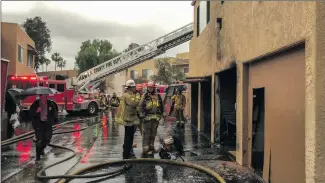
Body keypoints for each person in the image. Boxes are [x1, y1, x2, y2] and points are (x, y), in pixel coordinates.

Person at [30, 94, 59, 163]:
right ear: (40, 96)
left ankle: (42, 149)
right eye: (43, 96)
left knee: (47, 139)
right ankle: (38, 157)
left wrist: (57, 122)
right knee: (39, 140)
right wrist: (36, 111)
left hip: (47, 124)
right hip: (38, 124)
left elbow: (54, 113)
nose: (45, 97)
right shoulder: (36, 103)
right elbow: (29, 113)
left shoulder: (50, 103)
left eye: (46, 96)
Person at [138, 81, 165, 156]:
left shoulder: (158, 96)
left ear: (154, 88)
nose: (150, 89)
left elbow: (162, 105)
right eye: (149, 87)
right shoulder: (145, 96)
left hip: (156, 118)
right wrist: (141, 115)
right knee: (146, 133)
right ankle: (145, 148)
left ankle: (151, 146)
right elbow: (140, 106)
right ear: (147, 88)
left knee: (153, 133)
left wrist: (163, 113)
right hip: (147, 117)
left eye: (151, 87)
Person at [121, 80, 141, 159]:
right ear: (130, 87)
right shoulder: (127, 95)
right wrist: (138, 96)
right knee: (128, 139)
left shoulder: (131, 94)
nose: (135, 88)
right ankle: (126, 155)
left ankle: (128, 152)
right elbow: (134, 104)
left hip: (131, 119)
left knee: (129, 138)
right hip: (128, 120)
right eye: (134, 87)